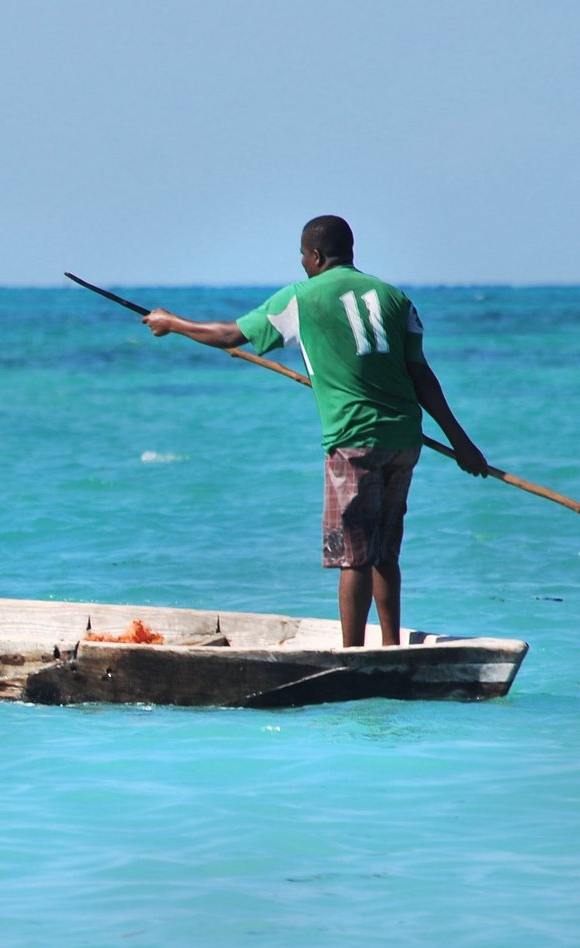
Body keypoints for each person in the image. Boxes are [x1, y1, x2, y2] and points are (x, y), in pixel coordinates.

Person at [141, 215, 489, 647]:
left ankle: (353, 656)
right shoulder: (397, 299)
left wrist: (172, 323)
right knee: (385, 552)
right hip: (404, 438)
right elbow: (422, 377)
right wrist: (462, 445)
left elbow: (229, 335)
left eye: (304, 256)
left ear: (316, 256)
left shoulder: (301, 298)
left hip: (353, 440)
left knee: (354, 557)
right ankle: (391, 648)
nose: (303, 264)